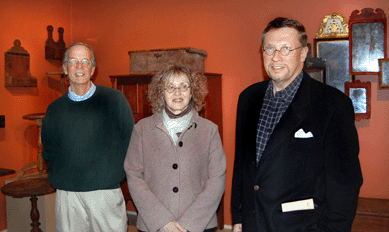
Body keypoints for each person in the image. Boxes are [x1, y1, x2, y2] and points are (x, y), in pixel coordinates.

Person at [231, 17, 363, 231]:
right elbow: (242, 165)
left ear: (303, 53)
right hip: (252, 223)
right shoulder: (248, 98)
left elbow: (345, 185)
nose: (275, 57)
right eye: (269, 48)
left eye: (285, 49)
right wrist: (238, 216)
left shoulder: (333, 105)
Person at [42, 42, 135, 232]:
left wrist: (114, 175)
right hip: (68, 197)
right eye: (73, 61)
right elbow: (49, 151)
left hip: (105, 194)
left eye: (85, 61)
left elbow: (131, 142)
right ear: (64, 69)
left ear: (93, 69)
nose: (80, 66)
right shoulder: (54, 109)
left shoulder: (114, 100)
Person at [124, 65, 226, 232]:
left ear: (192, 92)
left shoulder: (210, 130)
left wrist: (188, 224)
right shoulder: (141, 129)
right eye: (170, 87)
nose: (177, 92)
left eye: (184, 86)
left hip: (199, 225)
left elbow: (217, 180)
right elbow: (134, 176)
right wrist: (162, 221)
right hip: (154, 225)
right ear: (161, 93)